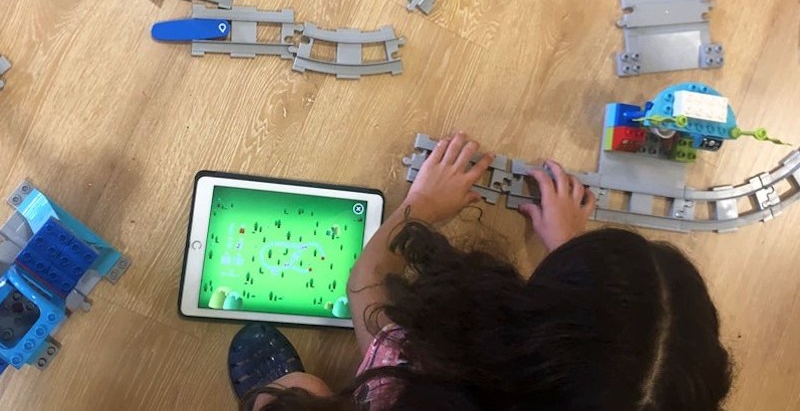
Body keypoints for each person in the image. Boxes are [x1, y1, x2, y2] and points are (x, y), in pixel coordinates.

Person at [228, 132, 732, 410]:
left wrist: (421, 206)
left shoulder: (413, 379)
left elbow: (368, 277)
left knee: (292, 394)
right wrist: (571, 262)